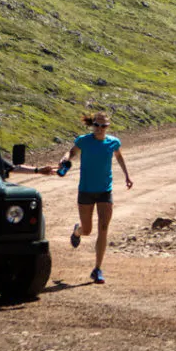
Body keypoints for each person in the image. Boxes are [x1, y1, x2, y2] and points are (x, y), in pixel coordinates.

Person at [63, 111, 132, 284]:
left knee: (103, 227)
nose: (100, 129)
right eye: (97, 125)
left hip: (104, 191)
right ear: (92, 125)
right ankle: (77, 231)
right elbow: (71, 153)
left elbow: (119, 156)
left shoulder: (113, 142)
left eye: (104, 126)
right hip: (86, 190)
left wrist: (127, 176)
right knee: (87, 230)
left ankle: (97, 269)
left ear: (108, 127)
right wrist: (64, 159)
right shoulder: (83, 141)